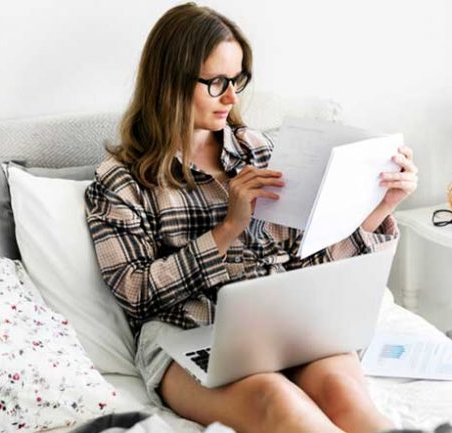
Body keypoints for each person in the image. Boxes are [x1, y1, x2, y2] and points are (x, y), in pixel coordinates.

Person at [85, 3, 418, 433]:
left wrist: (380, 209)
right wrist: (227, 230)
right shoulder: (121, 181)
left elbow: (304, 263)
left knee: (343, 394)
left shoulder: (259, 150)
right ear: (170, 82)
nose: (231, 97)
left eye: (237, 80)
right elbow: (136, 294)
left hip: (283, 322)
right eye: (216, 82)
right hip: (186, 335)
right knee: (275, 401)